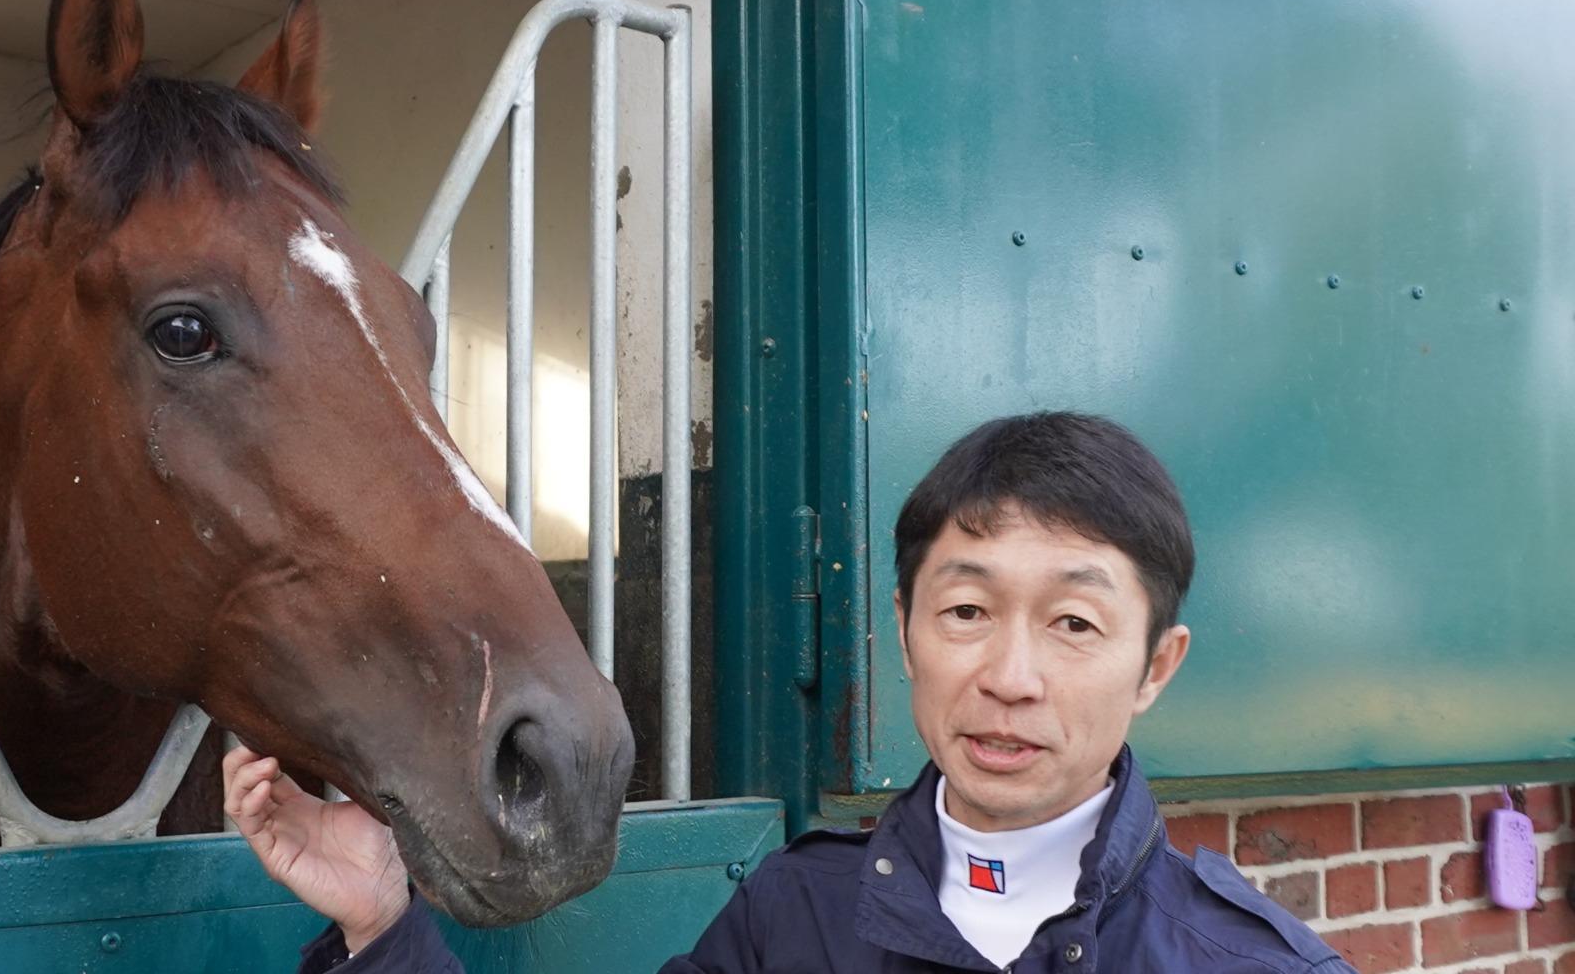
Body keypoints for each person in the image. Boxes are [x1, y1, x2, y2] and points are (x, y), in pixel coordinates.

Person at [224, 412, 1355, 972]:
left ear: (1157, 666)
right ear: (905, 634)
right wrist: (381, 917)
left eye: (1073, 625)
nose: (1009, 678)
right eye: (965, 612)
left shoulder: (1253, 964)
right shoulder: (792, 921)